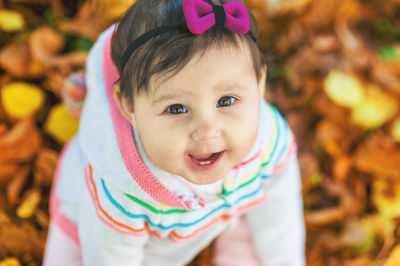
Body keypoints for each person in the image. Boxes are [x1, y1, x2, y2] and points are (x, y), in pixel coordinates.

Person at [43, 0, 305, 265]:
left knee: (261, 228)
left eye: (226, 101)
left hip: (221, 213)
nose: (206, 131)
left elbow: (280, 213)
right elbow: (110, 257)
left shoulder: (268, 140)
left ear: (259, 85)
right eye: (176, 108)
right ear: (129, 106)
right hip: (96, 233)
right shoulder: (121, 190)